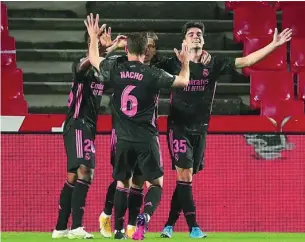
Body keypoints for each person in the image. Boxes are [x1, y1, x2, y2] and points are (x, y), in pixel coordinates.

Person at [158, 21, 292, 239]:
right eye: (191, 34)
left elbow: (247, 61)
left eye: (199, 34)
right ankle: (194, 228)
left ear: (203, 40)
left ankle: (169, 225)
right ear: (184, 41)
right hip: (178, 127)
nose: (196, 36)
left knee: (186, 178)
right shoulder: (173, 63)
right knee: (185, 175)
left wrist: (274, 45)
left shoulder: (215, 63)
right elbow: (145, 59)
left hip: (200, 129)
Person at [85, 13, 191, 240]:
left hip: (122, 138)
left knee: (123, 182)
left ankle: (120, 230)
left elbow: (94, 59)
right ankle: (146, 217)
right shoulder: (153, 74)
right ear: (146, 52)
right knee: (156, 184)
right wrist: (185, 64)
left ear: (127, 50)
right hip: (147, 138)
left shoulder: (116, 69)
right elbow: (183, 82)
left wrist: (94, 37)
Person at [99, 31, 211, 239]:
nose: (150, 49)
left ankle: (125, 227)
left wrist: (204, 55)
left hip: (125, 134)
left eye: (153, 46)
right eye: (147, 46)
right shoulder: (148, 71)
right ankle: (108, 214)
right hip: (136, 134)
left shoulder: (124, 66)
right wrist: (187, 62)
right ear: (143, 49)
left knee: (135, 182)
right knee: (127, 181)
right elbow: (182, 80)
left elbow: (99, 62)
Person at [51, 23, 125, 239]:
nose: (103, 39)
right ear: (90, 41)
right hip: (77, 123)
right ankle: (76, 227)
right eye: (98, 36)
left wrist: (113, 48)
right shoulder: (81, 65)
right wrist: (101, 44)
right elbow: (86, 62)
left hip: (88, 127)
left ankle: (61, 227)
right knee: (86, 170)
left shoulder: (100, 70)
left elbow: (101, 62)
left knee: (73, 176)